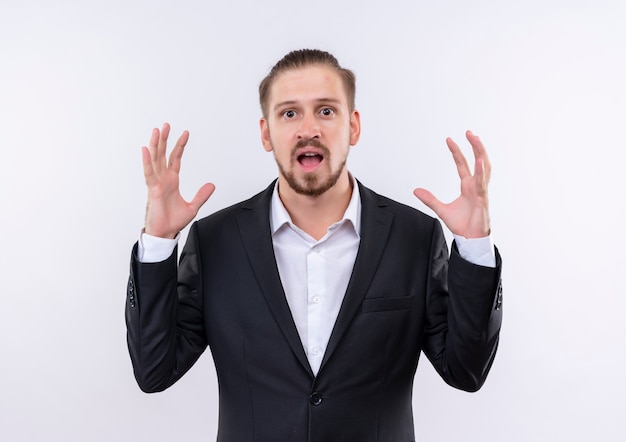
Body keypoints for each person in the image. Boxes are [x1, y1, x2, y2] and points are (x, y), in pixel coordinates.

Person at [126, 49, 503, 441]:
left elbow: (466, 372)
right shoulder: (215, 242)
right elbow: (154, 372)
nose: (308, 129)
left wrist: (474, 245)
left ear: (353, 126)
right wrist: (158, 241)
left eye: (326, 111)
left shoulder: (415, 237)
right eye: (289, 113)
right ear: (265, 133)